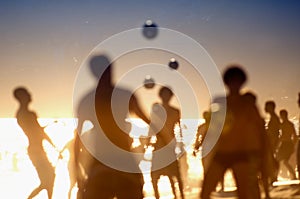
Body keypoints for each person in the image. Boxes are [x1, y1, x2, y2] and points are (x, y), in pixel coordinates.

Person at [80, 54, 150, 199]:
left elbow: (77, 138)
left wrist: (78, 170)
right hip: (119, 160)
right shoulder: (124, 94)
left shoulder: (87, 99)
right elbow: (149, 122)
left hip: (103, 161)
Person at [200, 65, 264, 199]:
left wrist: (260, 155)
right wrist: (203, 144)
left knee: (243, 193)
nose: (234, 84)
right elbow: (212, 127)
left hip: (241, 153)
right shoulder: (219, 101)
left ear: (242, 82)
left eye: (237, 81)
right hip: (221, 153)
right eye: (232, 80)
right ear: (227, 82)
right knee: (205, 191)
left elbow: (258, 129)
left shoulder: (247, 104)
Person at [13, 87, 56, 199]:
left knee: (48, 179)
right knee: (48, 179)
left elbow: (37, 131)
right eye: (27, 93)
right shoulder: (27, 114)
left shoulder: (20, 114)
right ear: (22, 97)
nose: (30, 95)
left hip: (35, 149)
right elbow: (39, 132)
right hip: (36, 150)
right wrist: (53, 146)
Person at [149, 86, 185, 199]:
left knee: (176, 175)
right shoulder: (156, 109)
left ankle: (181, 196)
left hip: (170, 146)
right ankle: (157, 196)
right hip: (158, 145)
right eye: (164, 95)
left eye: (168, 95)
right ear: (161, 96)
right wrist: (147, 142)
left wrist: (181, 145)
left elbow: (179, 129)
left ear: (170, 96)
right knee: (154, 177)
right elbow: (152, 127)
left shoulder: (175, 111)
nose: (166, 97)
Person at [194, 111, 224, 192]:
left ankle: (215, 186)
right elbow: (198, 140)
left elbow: (198, 140)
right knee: (213, 168)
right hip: (210, 149)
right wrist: (196, 148)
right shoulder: (214, 126)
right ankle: (219, 186)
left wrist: (196, 148)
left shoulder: (203, 127)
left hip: (210, 150)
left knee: (210, 168)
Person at [277, 109, 297, 179]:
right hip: (289, 144)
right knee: (285, 161)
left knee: (277, 160)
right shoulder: (291, 124)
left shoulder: (283, 125)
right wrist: (293, 145)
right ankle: (293, 175)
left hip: (285, 144)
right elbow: (294, 135)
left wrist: (278, 143)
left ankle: (274, 176)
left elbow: (283, 136)